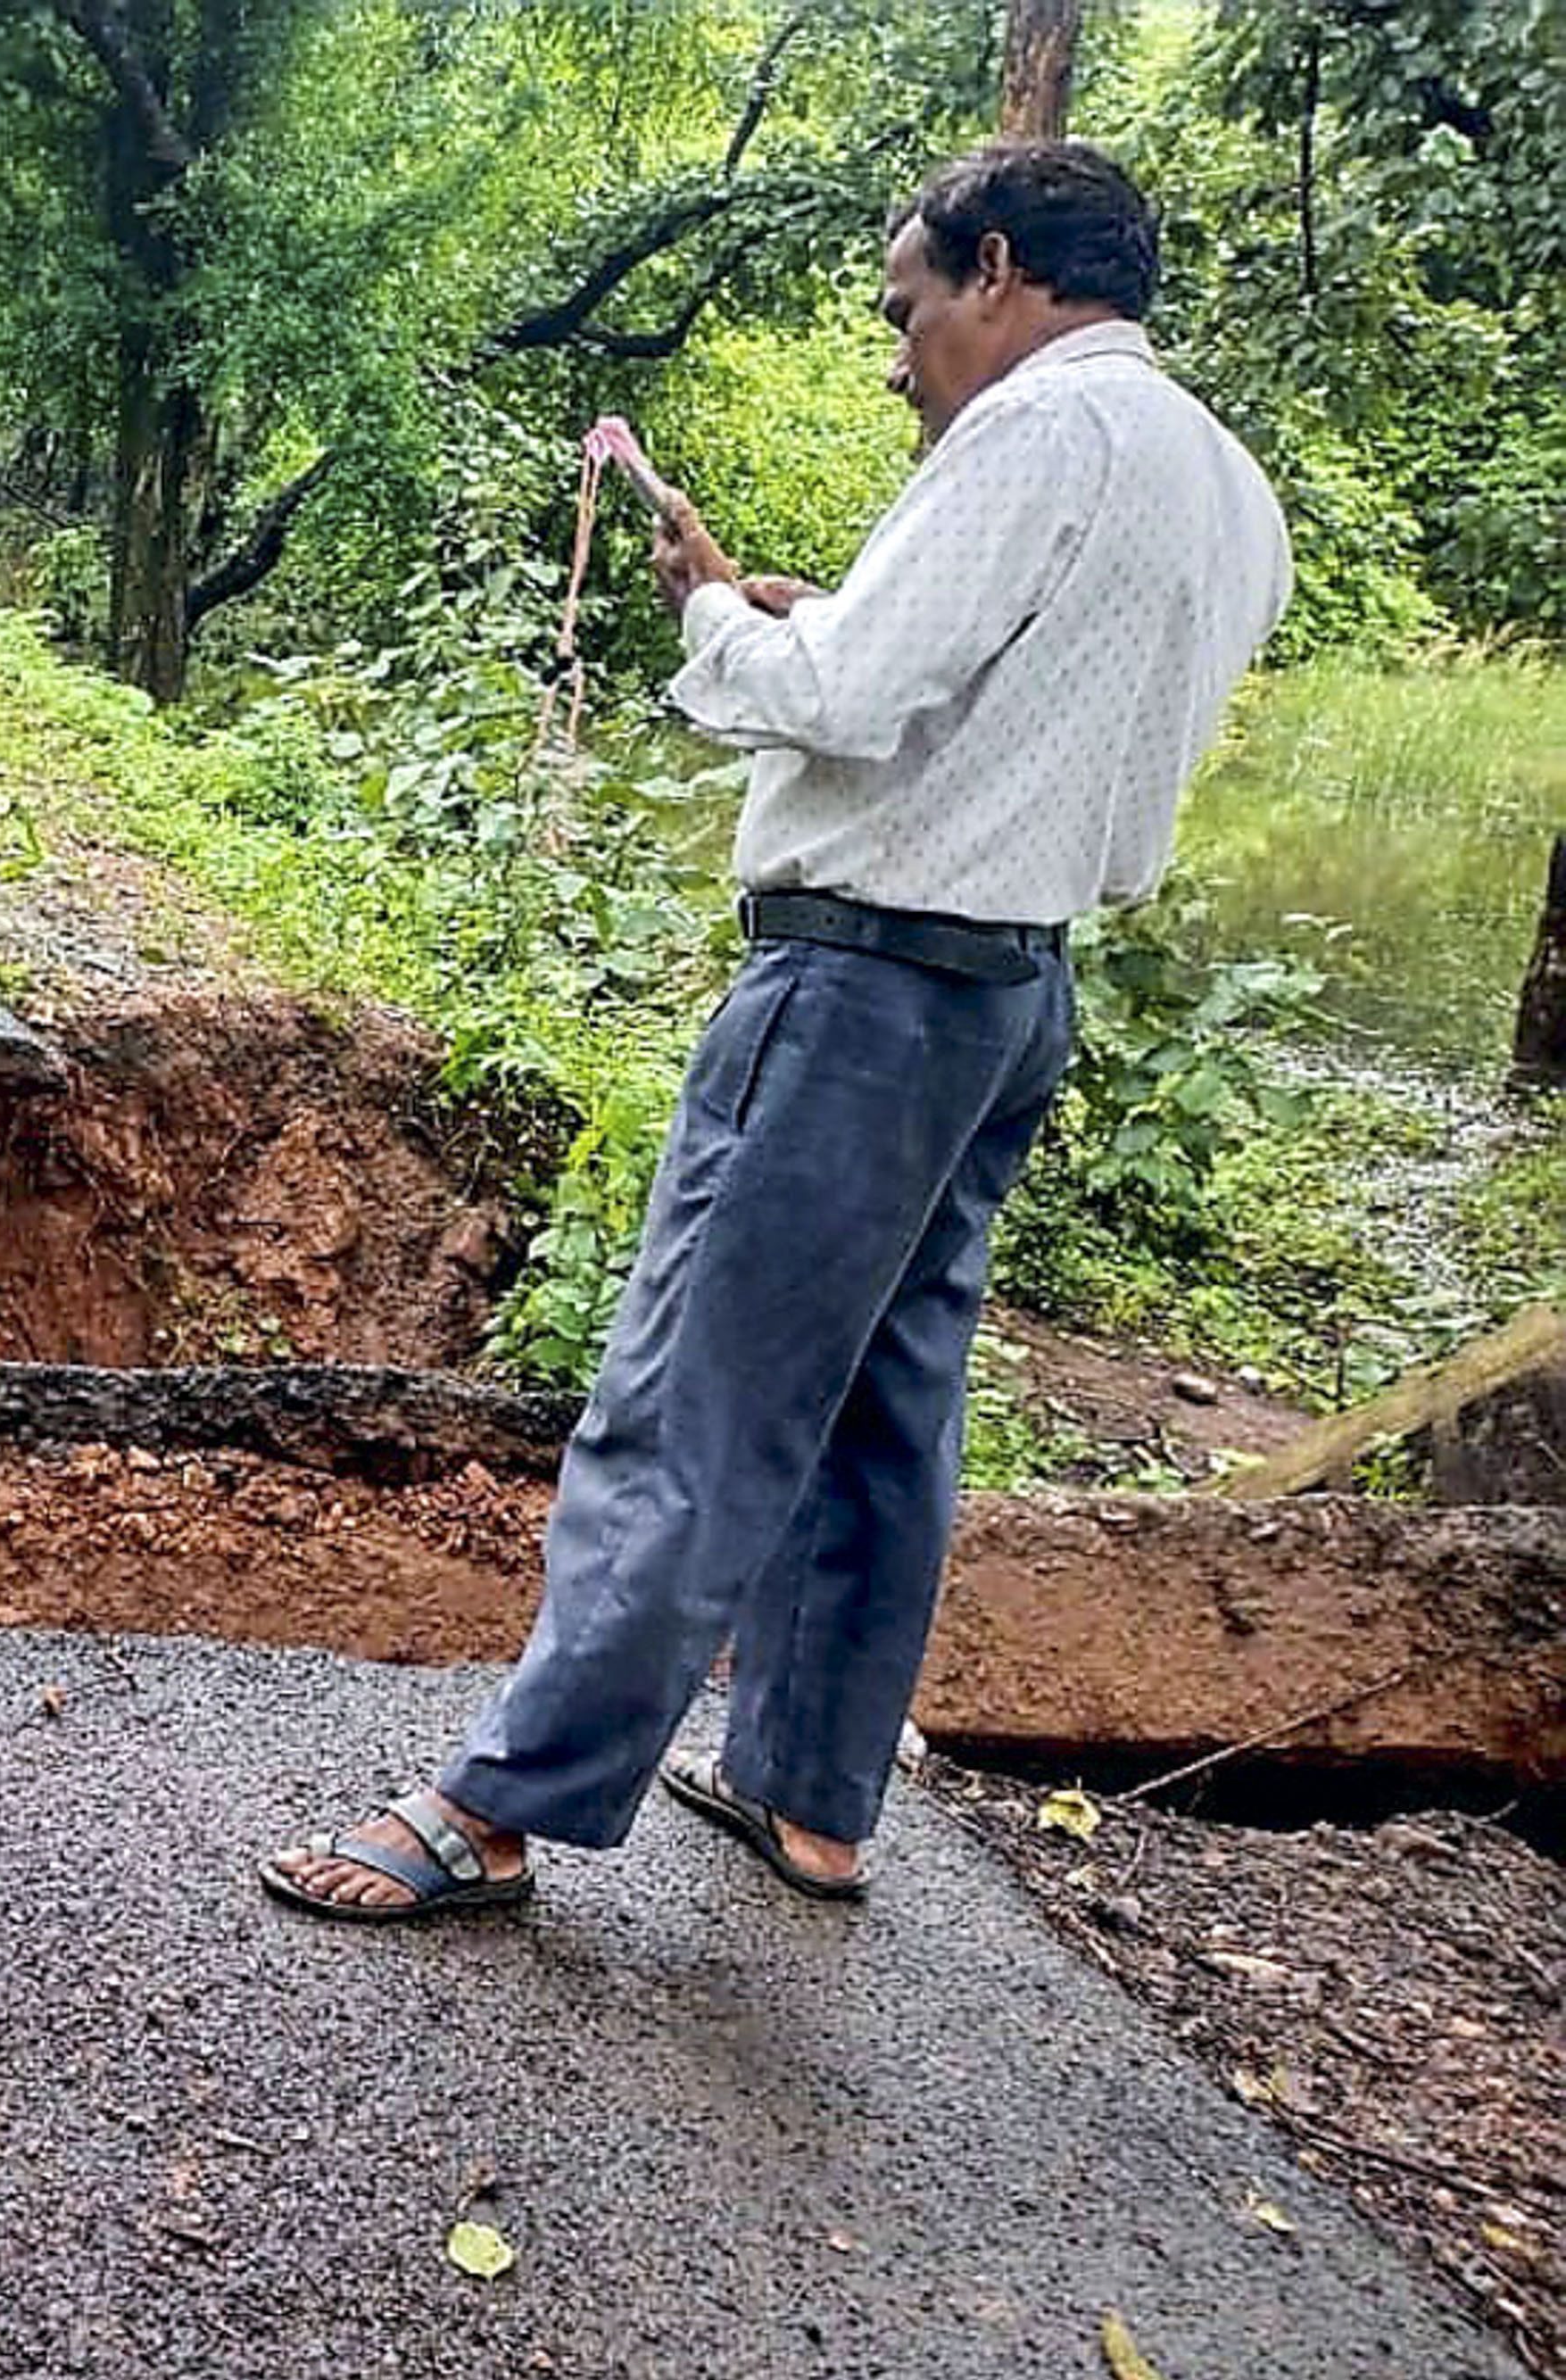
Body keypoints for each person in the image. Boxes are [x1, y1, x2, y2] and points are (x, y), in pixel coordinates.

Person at [260, 140, 1288, 1923]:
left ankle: (504, 1803)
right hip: (1011, 989)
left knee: (696, 1392)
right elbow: (1011, 703)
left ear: (994, 269)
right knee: (892, 1399)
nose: (900, 360)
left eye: (908, 313)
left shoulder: (1036, 434)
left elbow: (845, 702)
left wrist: (723, 623)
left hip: (862, 989)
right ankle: (813, 1796)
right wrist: (821, 630)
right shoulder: (1222, 481)